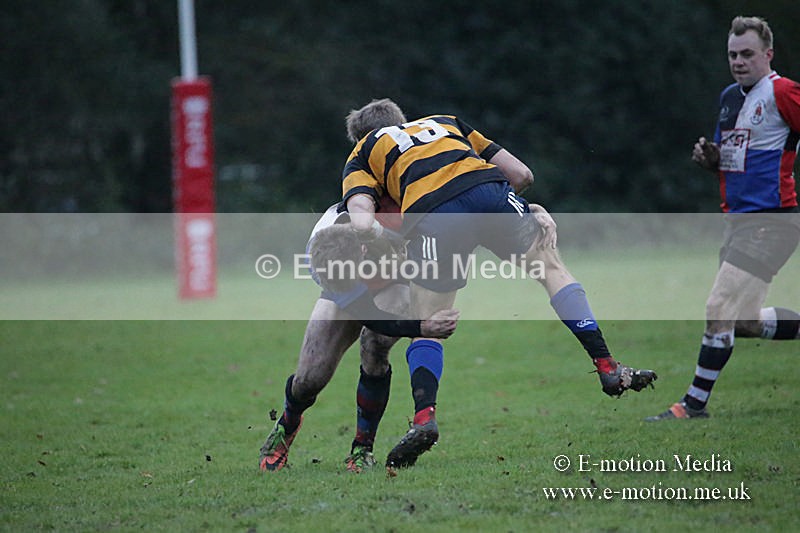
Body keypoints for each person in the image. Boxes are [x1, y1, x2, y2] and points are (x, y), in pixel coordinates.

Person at [341, 98, 657, 468]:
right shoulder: (445, 121)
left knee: (429, 322)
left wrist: (396, 239)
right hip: (489, 191)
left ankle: (424, 417)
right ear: (403, 120)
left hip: (432, 213)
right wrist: (514, 211)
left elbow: (362, 222)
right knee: (552, 270)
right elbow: (522, 175)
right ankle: (607, 365)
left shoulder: (362, 153)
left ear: (360, 137)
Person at [647, 16, 800, 421]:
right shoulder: (730, 97)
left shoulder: (782, 91)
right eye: (733, 55)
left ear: (768, 54)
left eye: (747, 54)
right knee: (745, 321)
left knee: (718, 305)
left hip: (771, 221)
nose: (738, 61)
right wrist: (712, 158)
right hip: (739, 222)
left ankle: (693, 405)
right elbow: (732, 157)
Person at [258, 201, 460, 473]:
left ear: (363, 250)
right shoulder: (321, 254)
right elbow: (370, 315)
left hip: (397, 279)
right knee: (309, 378)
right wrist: (424, 327)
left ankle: (362, 448)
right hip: (351, 292)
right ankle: (287, 423)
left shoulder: (382, 212)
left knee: (374, 345)